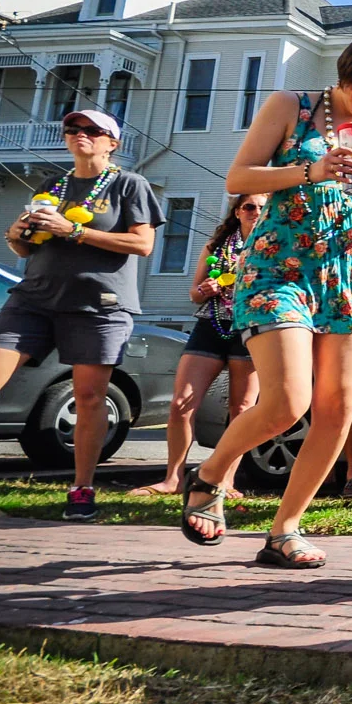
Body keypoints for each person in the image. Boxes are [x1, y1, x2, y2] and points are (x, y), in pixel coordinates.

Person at [179, 33, 352, 567]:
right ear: (345, 71)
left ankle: (285, 530)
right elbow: (239, 177)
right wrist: (313, 170)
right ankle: (210, 474)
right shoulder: (292, 106)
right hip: (282, 265)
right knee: (287, 402)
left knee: (339, 407)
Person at [0, 110, 163, 520]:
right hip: (35, 299)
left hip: (98, 304)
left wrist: (73, 230)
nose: (80, 135)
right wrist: (16, 236)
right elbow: (28, 247)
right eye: (72, 129)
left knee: (89, 397)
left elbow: (142, 244)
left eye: (92, 130)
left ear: (112, 143)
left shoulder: (129, 184)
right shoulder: (53, 185)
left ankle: (82, 489)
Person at [134, 194, 267, 500]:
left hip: (250, 328)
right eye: (249, 206)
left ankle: (226, 480)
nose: (255, 212)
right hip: (211, 324)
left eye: (262, 207)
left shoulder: (273, 246)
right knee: (181, 403)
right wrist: (206, 288)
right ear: (237, 211)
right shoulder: (216, 247)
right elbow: (194, 294)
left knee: (242, 409)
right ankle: (173, 478)